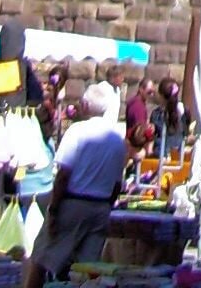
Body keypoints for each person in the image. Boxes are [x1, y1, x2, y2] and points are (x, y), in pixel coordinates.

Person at [24, 81, 129, 288]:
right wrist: (107, 207)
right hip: (100, 206)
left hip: (73, 203)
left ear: (86, 106)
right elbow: (117, 184)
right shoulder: (117, 139)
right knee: (87, 268)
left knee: (43, 258)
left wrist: (53, 210)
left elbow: (64, 174)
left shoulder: (77, 131)